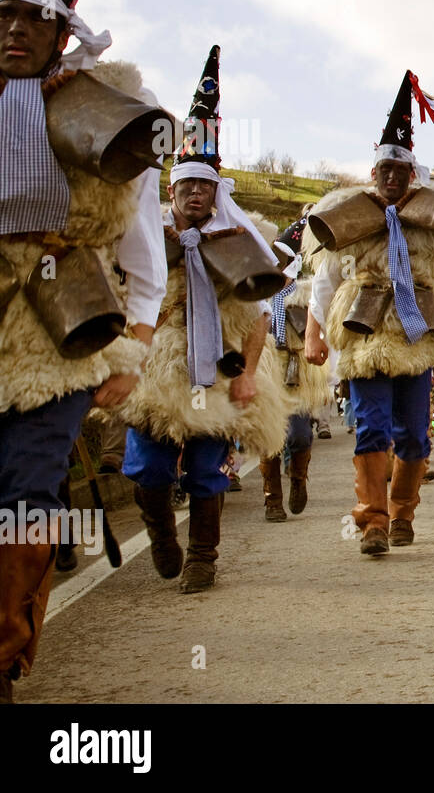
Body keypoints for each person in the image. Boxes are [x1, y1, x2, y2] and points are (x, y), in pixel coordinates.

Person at [0, 0, 166, 702]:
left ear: (62, 29)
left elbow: (142, 248)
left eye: (32, 17)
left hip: (60, 332)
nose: (15, 30)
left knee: (25, 487)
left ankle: (3, 649)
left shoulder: (101, 117)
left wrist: (134, 347)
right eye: (3, 15)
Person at [305, 70, 434, 555]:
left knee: (414, 435)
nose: (392, 178)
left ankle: (401, 512)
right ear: (374, 173)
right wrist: (314, 335)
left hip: (417, 333)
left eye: (400, 171)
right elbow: (326, 281)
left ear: (412, 174)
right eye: (384, 171)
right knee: (372, 426)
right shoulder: (348, 216)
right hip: (364, 332)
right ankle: (372, 522)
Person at [118, 46, 290, 593]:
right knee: (148, 467)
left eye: (204, 186)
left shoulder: (239, 244)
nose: (195, 193)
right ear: (172, 190)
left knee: (209, 468)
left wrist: (246, 374)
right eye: (186, 186)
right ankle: (161, 533)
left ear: (218, 192)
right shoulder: (144, 234)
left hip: (217, 365)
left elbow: (259, 316)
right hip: (156, 365)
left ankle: (203, 558)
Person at [260, 218, 330, 521]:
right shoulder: (257, 290)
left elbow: (321, 323)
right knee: (267, 437)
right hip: (265, 368)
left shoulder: (306, 293)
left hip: (297, 372)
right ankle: (272, 499)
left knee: (300, 435)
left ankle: (298, 479)